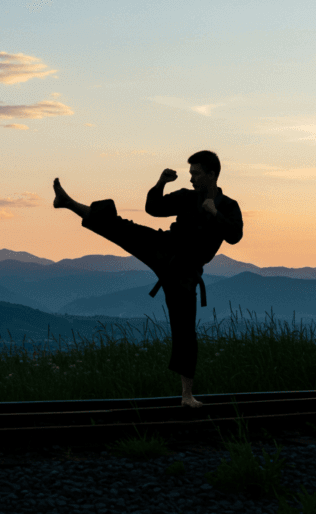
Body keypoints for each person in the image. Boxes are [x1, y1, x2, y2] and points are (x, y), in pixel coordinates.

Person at [52, 150, 244, 408]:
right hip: (163, 247)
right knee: (121, 227)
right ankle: (68, 203)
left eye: (196, 174)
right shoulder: (187, 197)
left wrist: (214, 213)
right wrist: (161, 182)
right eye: (190, 174)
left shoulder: (229, 206)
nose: (191, 179)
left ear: (211, 174)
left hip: (184, 273)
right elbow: (153, 208)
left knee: (185, 330)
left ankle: (187, 396)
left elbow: (234, 236)